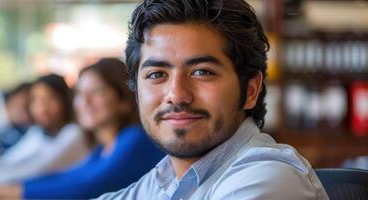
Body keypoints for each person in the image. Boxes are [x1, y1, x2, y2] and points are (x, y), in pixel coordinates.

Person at [94, 0, 328, 199]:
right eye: (157, 75)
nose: (177, 95)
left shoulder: (271, 178)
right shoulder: (163, 180)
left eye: (202, 72)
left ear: (250, 90)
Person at [0, 58, 165, 199]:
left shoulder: (135, 139)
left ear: (124, 100)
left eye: (97, 91)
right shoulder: (103, 148)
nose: (85, 101)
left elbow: (85, 187)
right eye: (80, 93)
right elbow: (68, 177)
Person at [0, 74, 91, 184]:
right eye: (36, 100)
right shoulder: (38, 132)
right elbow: (10, 160)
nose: (42, 107)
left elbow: (36, 169)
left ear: (65, 100)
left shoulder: (74, 133)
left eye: (51, 98)